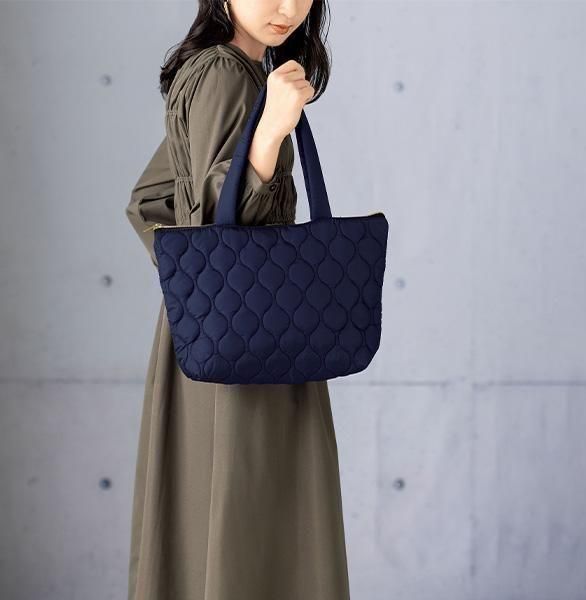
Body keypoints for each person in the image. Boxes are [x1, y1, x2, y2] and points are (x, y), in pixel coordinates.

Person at [125, 1, 351, 598]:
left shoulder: (221, 68)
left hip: (219, 328)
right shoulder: (226, 73)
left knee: (218, 522)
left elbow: (150, 201)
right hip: (249, 343)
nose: (288, 8)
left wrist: (189, 287)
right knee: (257, 525)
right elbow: (212, 230)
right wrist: (271, 131)